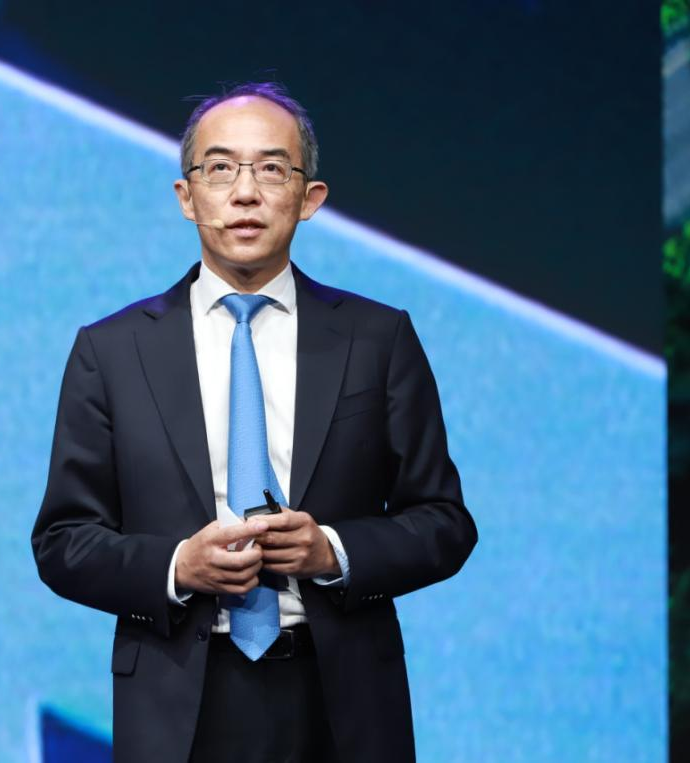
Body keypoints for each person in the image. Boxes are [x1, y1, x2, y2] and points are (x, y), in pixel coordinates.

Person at [31, 81, 477, 763]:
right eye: (220, 168)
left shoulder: (377, 338)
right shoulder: (113, 350)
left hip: (340, 698)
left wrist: (333, 552)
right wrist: (179, 565)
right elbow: (63, 541)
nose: (245, 193)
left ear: (310, 197)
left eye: (271, 169)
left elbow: (444, 522)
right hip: (179, 698)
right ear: (187, 196)